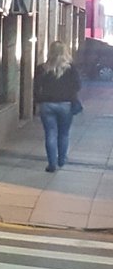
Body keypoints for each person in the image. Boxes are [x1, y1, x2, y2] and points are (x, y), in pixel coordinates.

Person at [34, 40, 81, 172]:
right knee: (64, 133)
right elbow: (77, 86)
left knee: (50, 133)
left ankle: (51, 163)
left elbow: (36, 87)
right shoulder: (71, 69)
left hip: (47, 105)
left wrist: (39, 100)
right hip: (65, 105)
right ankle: (61, 159)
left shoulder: (41, 68)